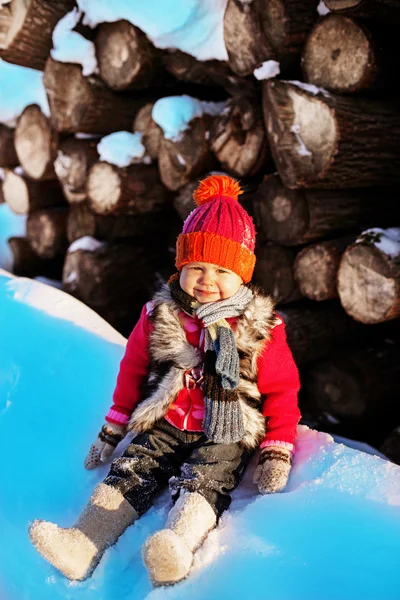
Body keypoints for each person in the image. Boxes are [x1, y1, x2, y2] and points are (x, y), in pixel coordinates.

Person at [29, 174, 301, 587]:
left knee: (207, 481)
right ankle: (83, 542)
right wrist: (114, 424)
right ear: (181, 267)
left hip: (225, 431)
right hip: (168, 418)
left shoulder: (260, 327)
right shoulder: (161, 314)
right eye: (197, 267)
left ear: (242, 274)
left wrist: (277, 447)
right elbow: (134, 367)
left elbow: (283, 388)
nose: (207, 280)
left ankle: (175, 546)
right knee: (133, 468)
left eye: (221, 270)